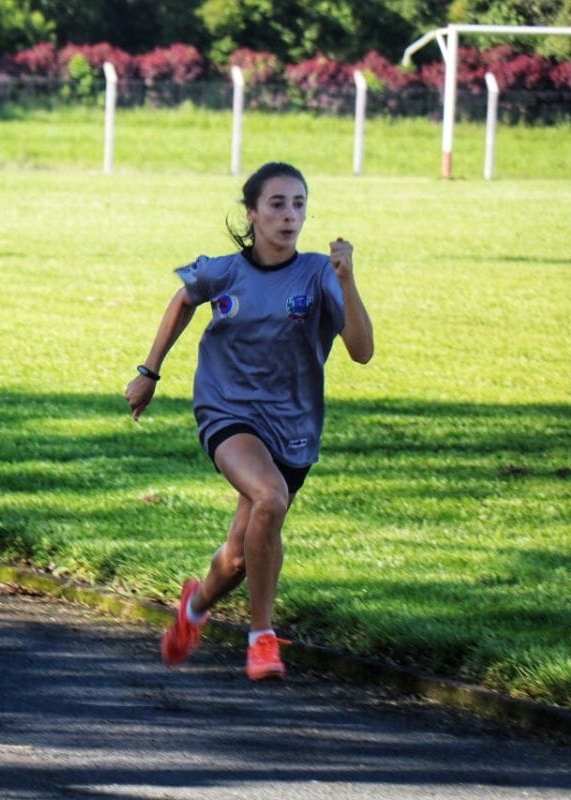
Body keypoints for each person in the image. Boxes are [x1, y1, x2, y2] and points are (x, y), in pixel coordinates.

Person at [125, 162, 373, 681]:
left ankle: (193, 609)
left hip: (293, 424)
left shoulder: (319, 273)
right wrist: (150, 371)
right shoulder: (225, 271)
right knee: (271, 497)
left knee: (240, 556)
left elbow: (362, 351)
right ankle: (262, 638)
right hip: (227, 410)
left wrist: (347, 282)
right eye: (277, 204)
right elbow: (184, 298)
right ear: (252, 213)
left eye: (299, 204)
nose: (289, 215)